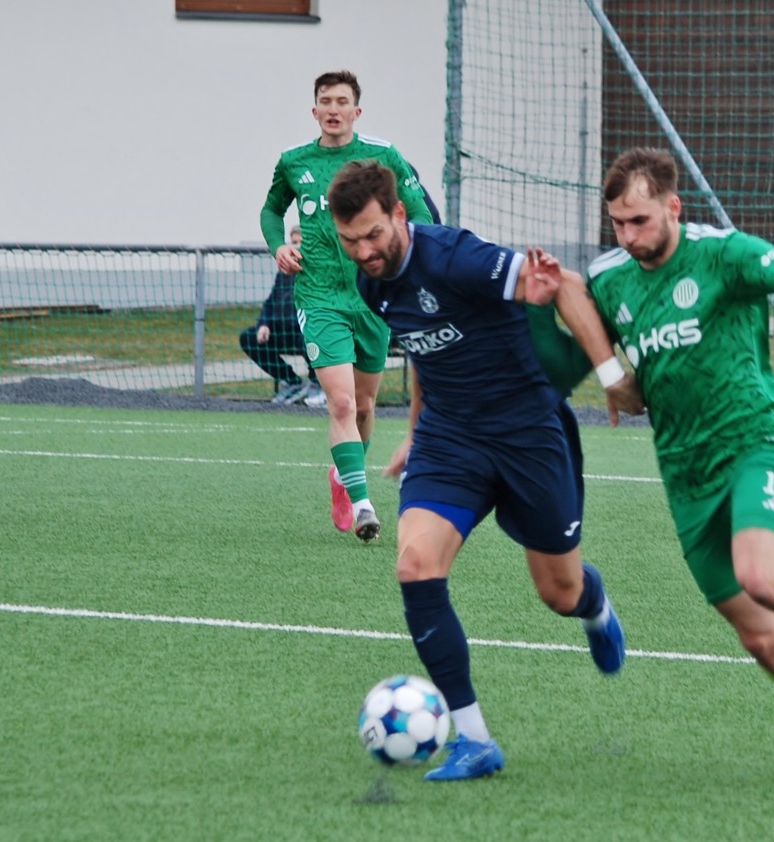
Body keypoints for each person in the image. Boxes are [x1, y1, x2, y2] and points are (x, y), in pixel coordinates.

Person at [529, 146, 774, 783]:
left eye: (639, 221)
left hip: (756, 439)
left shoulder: (724, 253)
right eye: (618, 224)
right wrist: (542, 308)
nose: (628, 236)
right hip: (686, 473)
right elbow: (565, 366)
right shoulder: (609, 277)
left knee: (762, 575)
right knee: (759, 637)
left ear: (673, 207)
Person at [327, 160, 643, 782]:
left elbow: (564, 283)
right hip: (450, 440)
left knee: (559, 593)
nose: (363, 251)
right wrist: (415, 432)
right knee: (415, 565)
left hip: (527, 434)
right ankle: (473, 740)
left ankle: (595, 605)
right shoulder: (372, 282)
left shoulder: (456, 257)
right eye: (350, 241)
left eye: (373, 235)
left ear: (399, 214)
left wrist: (611, 375)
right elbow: (427, 351)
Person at [260, 69, 436, 542]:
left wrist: (407, 256)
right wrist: (279, 246)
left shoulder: (383, 157)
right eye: (325, 101)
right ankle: (363, 505)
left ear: (357, 111)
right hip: (318, 296)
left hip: (373, 296)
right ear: (314, 109)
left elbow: (419, 212)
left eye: (342, 102)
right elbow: (271, 210)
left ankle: (343, 475)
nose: (333, 109)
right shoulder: (294, 161)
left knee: (364, 405)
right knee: (340, 402)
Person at [239, 225, 321, 405]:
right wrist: (264, 324)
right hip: (283, 330)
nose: (297, 247)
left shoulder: (318, 271)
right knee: (249, 337)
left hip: (306, 331)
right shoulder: (284, 272)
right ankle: (292, 382)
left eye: (301, 243)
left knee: (312, 337)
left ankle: (319, 384)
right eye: (294, 242)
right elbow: (271, 301)